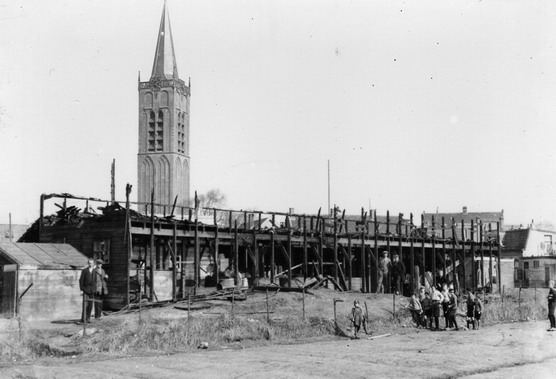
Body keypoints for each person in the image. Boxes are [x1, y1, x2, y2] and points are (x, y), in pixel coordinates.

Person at [79, 258, 97, 323]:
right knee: (85, 304)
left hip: (92, 290)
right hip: (86, 290)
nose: (90, 264)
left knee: (90, 304)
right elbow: (81, 280)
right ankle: (83, 319)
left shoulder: (95, 271)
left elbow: (95, 281)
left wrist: (95, 289)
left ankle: (88, 318)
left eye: (91, 263)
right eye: (89, 263)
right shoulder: (84, 271)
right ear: (88, 263)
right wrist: (81, 289)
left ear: (93, 264)